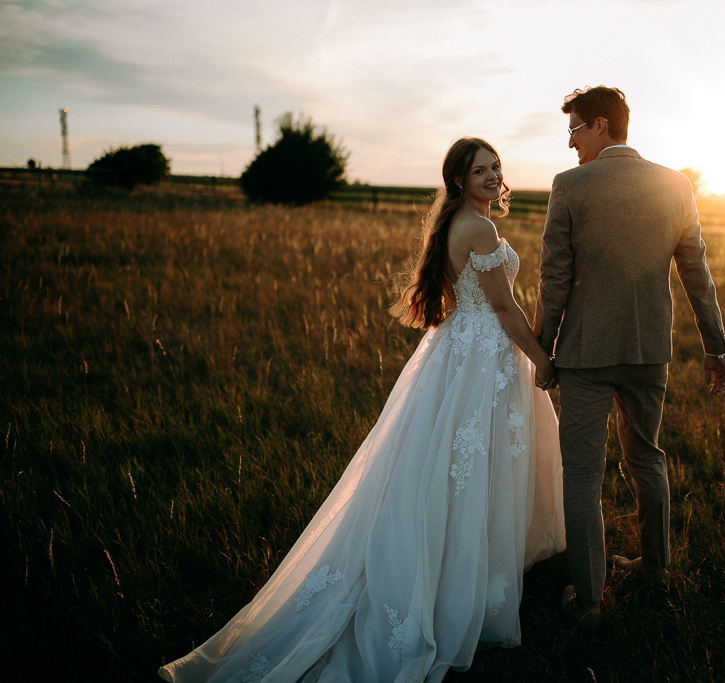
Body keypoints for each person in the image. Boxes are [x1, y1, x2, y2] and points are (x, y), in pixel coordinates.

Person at [159, 137, 565, 683]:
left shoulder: (454, 223)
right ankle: (459, 590)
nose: (492, 176)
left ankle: (464, 570)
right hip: (480, 356)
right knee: (471, 470)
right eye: (479, 171)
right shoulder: (480, 227)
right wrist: (541, 357)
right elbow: (502, 305)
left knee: (451, 471)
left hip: (459, 352)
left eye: (495, 167)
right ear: (459, 181)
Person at [532, 86, 725, 631]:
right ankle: (657, 570)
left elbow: (555, 280)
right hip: (649, 352)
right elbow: (697, 273)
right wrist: (716, 347)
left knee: (583, 473)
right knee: (647, 457)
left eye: (574, 129)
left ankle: (590, 599)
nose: (570, 144)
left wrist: (542, 350)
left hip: (586, 355)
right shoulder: (675, 185)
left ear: (600, 125)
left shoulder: (570, 186)